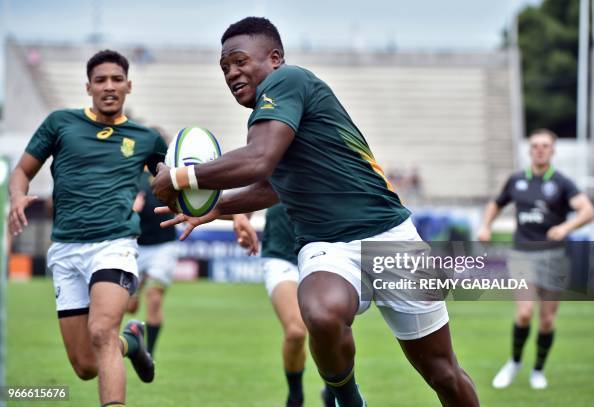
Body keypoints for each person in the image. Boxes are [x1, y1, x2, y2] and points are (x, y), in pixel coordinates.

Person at [152, 17, 479, 407]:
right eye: (224, 67)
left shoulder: (287, 82)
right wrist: (217, 207)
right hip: (327, 244)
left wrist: (179, 176)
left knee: (442, 372)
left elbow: (259, 161)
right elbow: (276, 184)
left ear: (275, 58)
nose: (232, 72)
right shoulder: (270, 113)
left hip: (390, 236)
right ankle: (347, 399)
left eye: (239, 61)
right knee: (321, 314)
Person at [8, 50, 165, 407]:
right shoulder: (59, 123)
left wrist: (235, 218)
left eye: (116, 79)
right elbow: (22, 172)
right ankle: (133, 342)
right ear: (88, 87)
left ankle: (119, 346)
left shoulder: (146, 139)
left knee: (101, 331)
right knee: (84, 366)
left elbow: (177, 183)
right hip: (65, 248)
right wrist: (17, 196)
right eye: (100, 80)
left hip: (115, 245)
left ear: (128, 85)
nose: (109, 86)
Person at [478, 129, 594, 390]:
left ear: (553, 150)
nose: (540, 149)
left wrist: (567, 228)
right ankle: (514, 362)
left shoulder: (563, 183)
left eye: (545, 146)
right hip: (522, 254)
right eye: (535, 146)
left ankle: (538, 369)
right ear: (529, 150)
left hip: (554, 256)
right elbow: (496, 204)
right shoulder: (517, 180)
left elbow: (587, 210)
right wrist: (486, 225)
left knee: (547, 320)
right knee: (524, 313)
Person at [232, 206, 335, 407]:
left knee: (328, 329)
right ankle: (295, 397)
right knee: (296, 332)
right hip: (281, 254)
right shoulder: (270, 173)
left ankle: (333, 391)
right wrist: (239, 217)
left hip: (326, 255)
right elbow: (245, 197)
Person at [126, 167, 179, 356]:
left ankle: (148, 353)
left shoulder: (172, 173)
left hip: (164, 245)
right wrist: (130, 207)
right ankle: (133, 335)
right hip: (135, 244)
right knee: (129, 307)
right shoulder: (130, 171)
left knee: (154, 298)